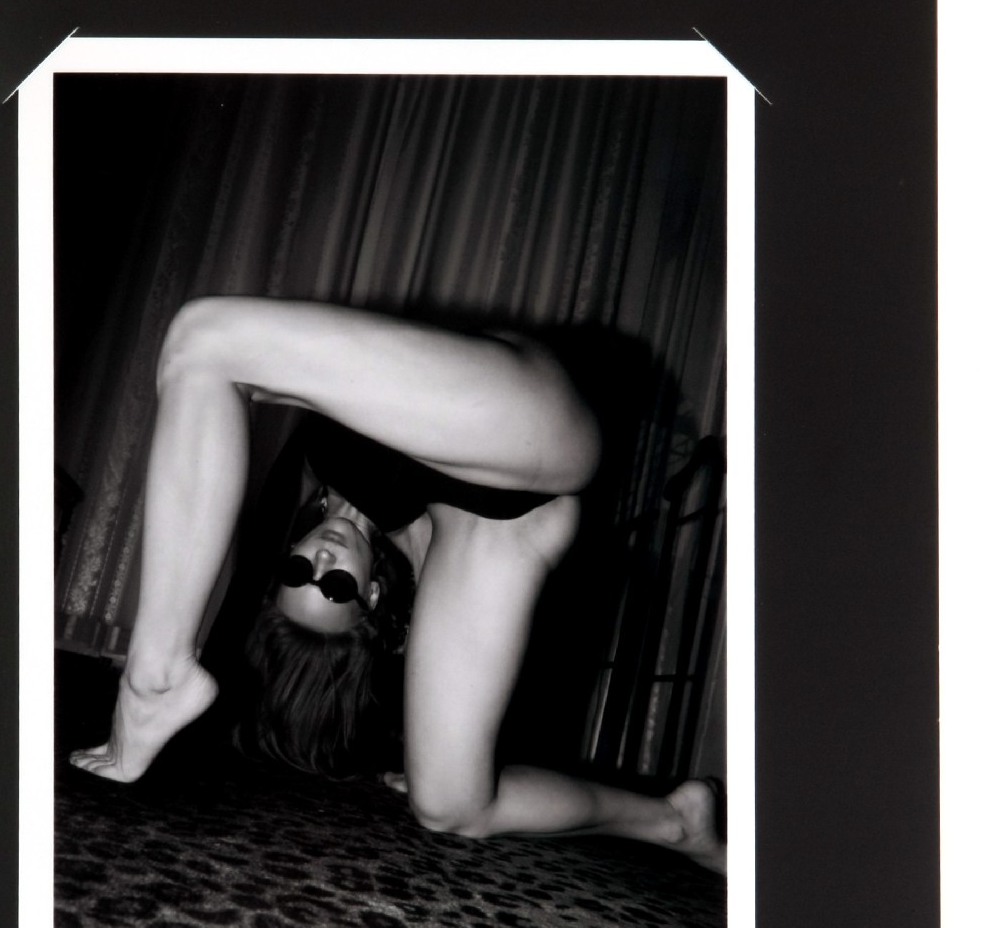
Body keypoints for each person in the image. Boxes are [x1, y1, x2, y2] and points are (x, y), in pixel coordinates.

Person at [71, 296, 725, 874]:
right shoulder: (417, 559)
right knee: (450, 804)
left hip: (513, 402)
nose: (322, 559)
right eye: (335, 588)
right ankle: (675, 821)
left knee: (202, 338)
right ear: (374, 597)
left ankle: (156, 673)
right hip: (511, 506)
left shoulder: (316, 471)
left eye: (298, 572)